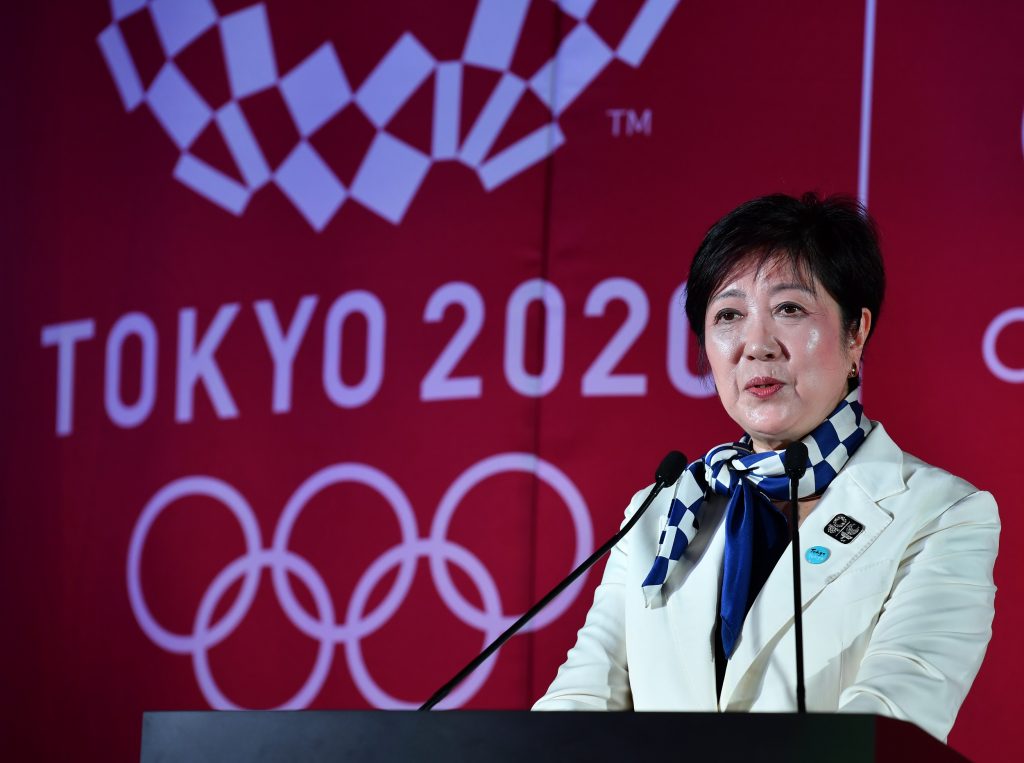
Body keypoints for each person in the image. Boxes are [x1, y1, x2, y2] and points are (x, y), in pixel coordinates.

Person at [532, 193, 1000, 743]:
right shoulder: (659, 514)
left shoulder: (943, 514)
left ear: (856, 333)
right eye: (728, 316)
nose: (756, 345)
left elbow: (889, 727)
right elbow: (575, 707)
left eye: (790, 309)